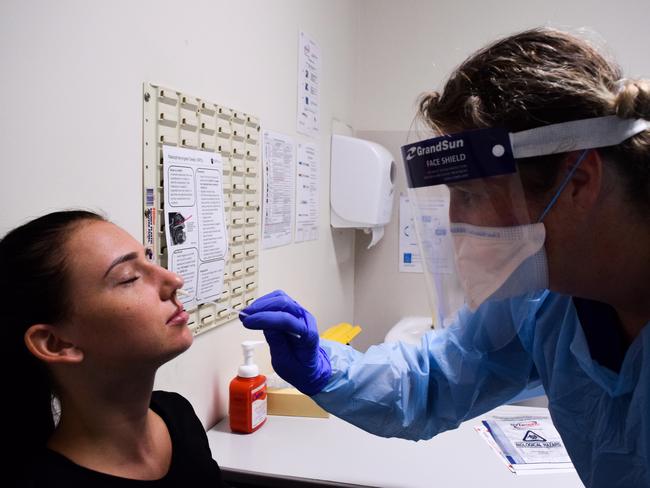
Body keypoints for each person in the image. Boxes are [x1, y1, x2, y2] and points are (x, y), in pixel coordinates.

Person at [240, 28, 650, 488]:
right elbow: (439, 375)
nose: (456, 221)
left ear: (579, 181)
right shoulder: (545, 304)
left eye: (470, 194)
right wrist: (327, 367)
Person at [2, 210, 227, 487]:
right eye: (129, 277)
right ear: (56, 343)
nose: (174, 280)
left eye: (150, 259)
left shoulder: (176, 415)